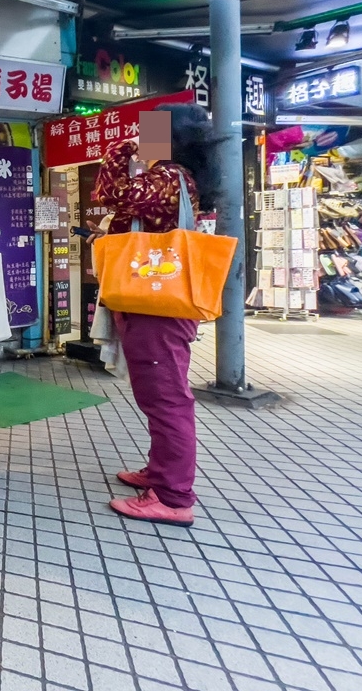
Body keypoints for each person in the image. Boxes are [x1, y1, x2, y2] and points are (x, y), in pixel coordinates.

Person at [92, 102, 220, 527]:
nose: (140, 138)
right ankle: (160, 472)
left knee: (166, 398)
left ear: (170, 137)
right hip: (153, 301)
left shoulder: (168, 176)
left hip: (158, 306)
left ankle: (172, 496)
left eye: (149, 131)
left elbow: (109, 195)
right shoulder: (172, 176)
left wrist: (120, 149)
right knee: (157, 394)